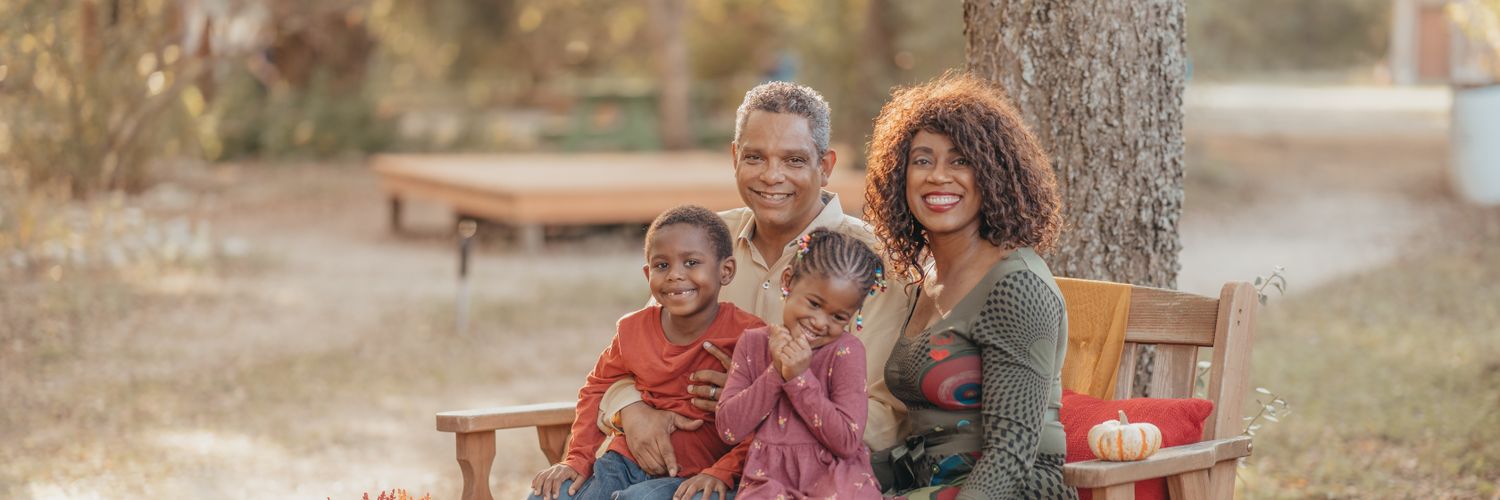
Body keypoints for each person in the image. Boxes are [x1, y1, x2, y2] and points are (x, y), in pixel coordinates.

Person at [597, 82, 913, 483]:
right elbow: (632, 356)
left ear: (825, 166)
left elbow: (882, 419)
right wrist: (631, 410)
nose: (771, 175)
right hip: (675, 462)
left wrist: (752, 400)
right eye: (754, 157)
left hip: (794, 481)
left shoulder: (873, 265)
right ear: (734, 158)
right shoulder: (705, 240)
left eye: (794, 160)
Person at [863, 74, 1076, 499]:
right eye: (922, 161)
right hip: (924, 484)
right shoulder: (925, 280)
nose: (938, 176)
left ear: (994, 175)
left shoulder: (1016, 287)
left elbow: (1009, 458)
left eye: (960, 161)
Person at [530, 205, 765, 500]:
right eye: (662, 265)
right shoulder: (632, 330)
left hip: (700, 473)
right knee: (549, 494)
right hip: (625, 462)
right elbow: (596, 388)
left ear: (725, 271)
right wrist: (577, 458)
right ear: (647, 273)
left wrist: (722, 471)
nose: (675, 275)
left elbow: (767, 415)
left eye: (691, 262)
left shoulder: (749, 335)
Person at [716, 229, 887, 499]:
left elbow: (846, 441)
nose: (820, 322)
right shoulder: (753, 343)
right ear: (788, 281)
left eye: (838, 317)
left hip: (836, 481)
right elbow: (728, 429)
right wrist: (777, 371)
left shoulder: (846, 351)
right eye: (814, 303)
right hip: (767, 480)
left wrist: (799, 379)